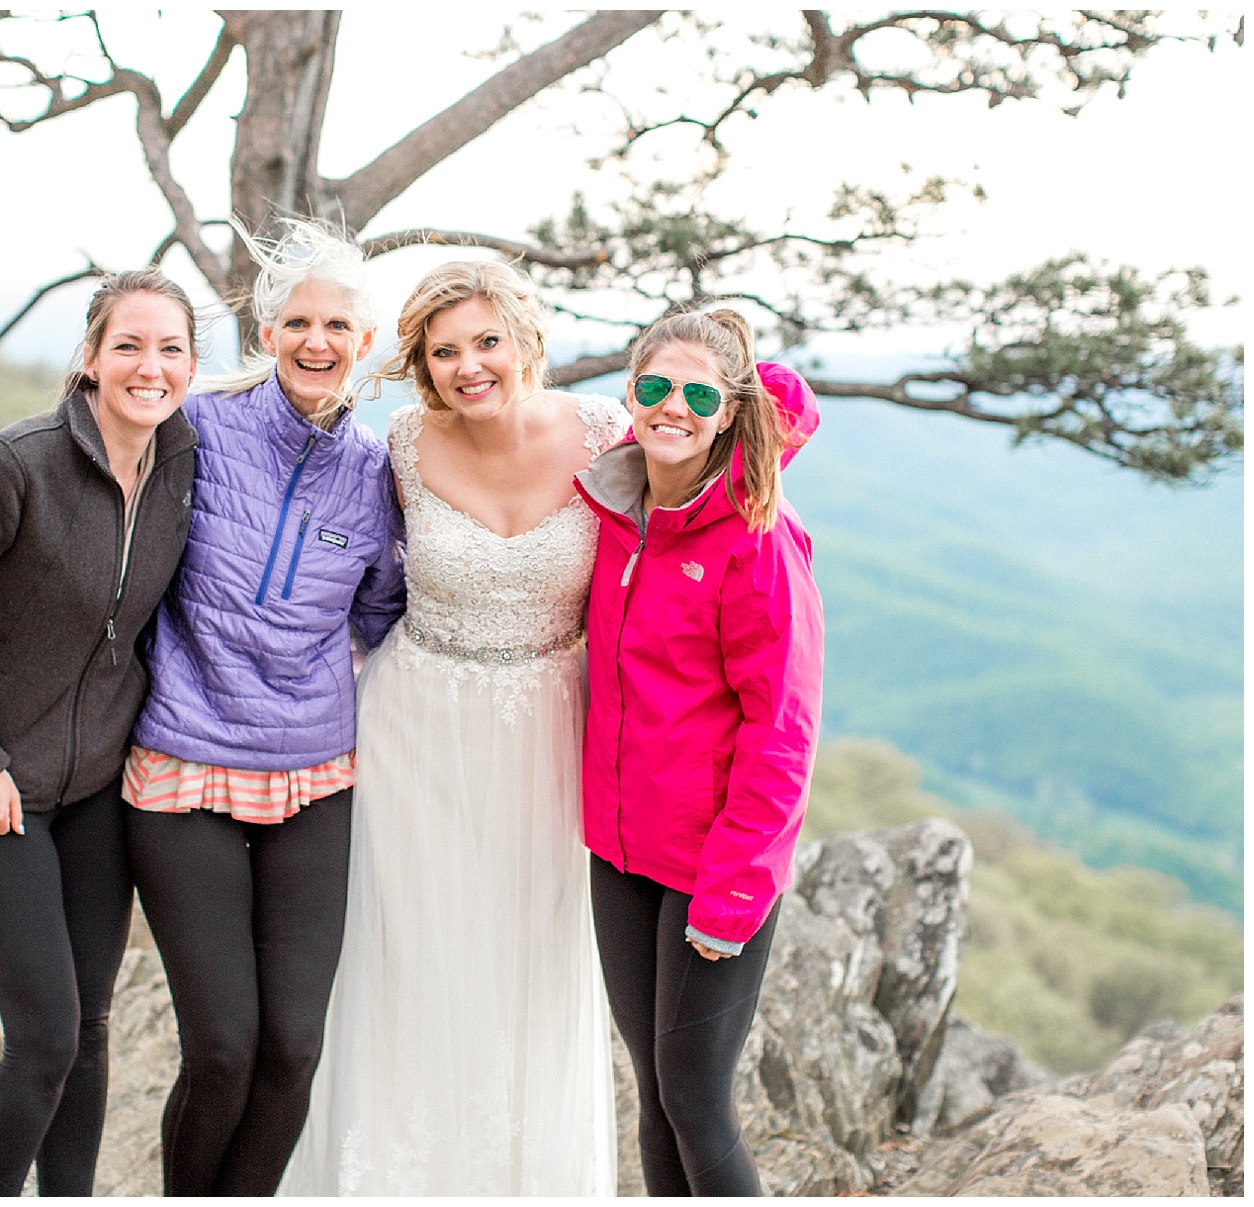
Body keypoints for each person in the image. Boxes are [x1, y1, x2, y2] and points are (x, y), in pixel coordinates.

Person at [279, 261, 626, 1196]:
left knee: (535, 964)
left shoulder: (607, 435)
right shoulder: (398, 443)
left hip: (550, 736)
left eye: (485, 342)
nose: (470, 366)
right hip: (414, 732)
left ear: (521, 339)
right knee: (406, 962)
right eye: (444, 352)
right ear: (423, 367)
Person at [0, 268, 200, 1197]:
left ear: (189, 367)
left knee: (91, 1031)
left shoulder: (182, 464)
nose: (150, 365)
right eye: (128, 345)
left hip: (99, 787)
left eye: (170, 348)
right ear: (90, 359)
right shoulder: (15, 466)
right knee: (44, 1040)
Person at [122, 220, 407, 1197]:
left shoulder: (377, 473)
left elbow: (382, 612)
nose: (318, 341)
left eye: (338, 324)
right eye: (298, 322)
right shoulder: (196, 425)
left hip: (315, 771)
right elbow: (95, 515)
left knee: (291, 1049)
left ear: (364, 343)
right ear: (267, 329)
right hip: (183, 761)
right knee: (224, 1048)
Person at [575, 307, 824, 1196]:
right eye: (652, 386)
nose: (670, 406)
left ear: (727, 412)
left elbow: (782, 734)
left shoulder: (759, 537)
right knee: (655, 1094)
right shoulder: (618, 509)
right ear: (629, 395)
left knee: (696, 1100)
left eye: (696, 393)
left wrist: (732, 891)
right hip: (621, 853)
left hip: (711, 869)